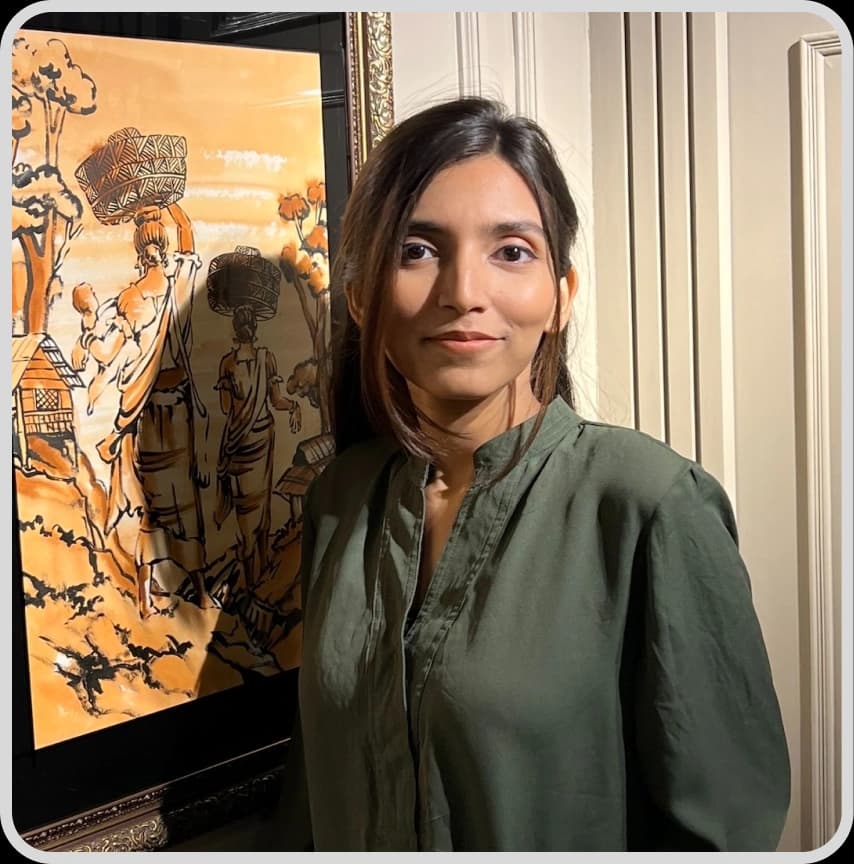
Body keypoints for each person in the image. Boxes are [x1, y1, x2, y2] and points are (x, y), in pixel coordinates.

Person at [277, 97, 790, 852]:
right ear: (360, 298)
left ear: (561, 296)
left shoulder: (648, 507)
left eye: (510, 251)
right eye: (417, 250)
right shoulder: (340, 500)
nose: (464, 292)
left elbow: (727, 830)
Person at [75, 203, 213, 618]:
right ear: (153, 251)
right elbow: (106, 351)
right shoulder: (159, 290)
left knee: (175, 500)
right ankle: (153, 594)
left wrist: (88, 320)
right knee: (166, 502)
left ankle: (182, 589)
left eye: (158, 246)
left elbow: (103, 350)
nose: (158, 253)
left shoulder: (161, 290)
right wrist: (170, 203)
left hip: (169, 413)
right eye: (156, 246)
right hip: (154, 414)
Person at [214, 303, 302, 597]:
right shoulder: (267, 358)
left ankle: (251, 577)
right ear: (255, 328)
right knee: (261, 507)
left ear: (234, 330)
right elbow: (277, 401)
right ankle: (261, 575)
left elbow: (226, 409)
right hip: (262, 439)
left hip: (237, 444)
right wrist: (294, 405)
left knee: (245, 509)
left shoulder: (227, 363)